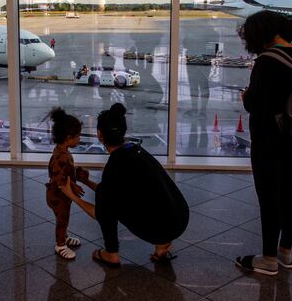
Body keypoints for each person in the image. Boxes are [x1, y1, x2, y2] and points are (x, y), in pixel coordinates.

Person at [60, 103, 189, 267]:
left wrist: (70, 194)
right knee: (119, 198)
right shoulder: (135, 149)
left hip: (161, 228)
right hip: (181, 218)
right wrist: (86, 181)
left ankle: (111, 254)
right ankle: (162, 245)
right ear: (123, 131)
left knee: (109, 208)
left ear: (100, 134)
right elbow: (110, 191)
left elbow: (101, 212)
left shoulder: (114, 166)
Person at [235, 10, 292, 276]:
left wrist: (247, 96)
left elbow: (257, 105)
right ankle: (285, 253)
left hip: (270, 139)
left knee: (269, 198)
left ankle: (268, 259)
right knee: (290, 191)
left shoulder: (267, 62)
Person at [46, 107, 88, 260]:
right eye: (78, 136)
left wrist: (76, 174)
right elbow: (59, 180)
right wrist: (74, 186)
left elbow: (65, 172)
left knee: (63, 219)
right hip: (58, 195)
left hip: (60, 194)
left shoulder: (62, 152)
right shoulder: (62, 156)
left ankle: (64, 237)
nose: (79, 139)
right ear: (69, 138)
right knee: (62, 220)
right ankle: (60, 245)